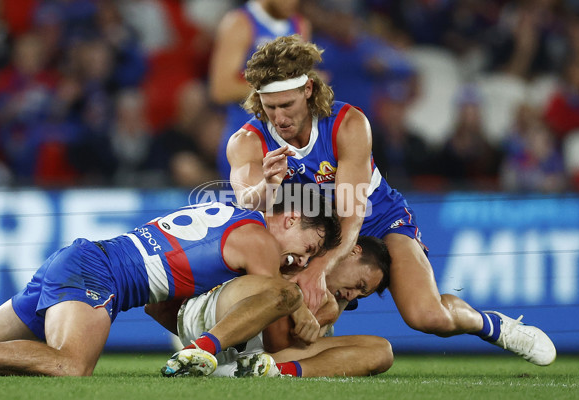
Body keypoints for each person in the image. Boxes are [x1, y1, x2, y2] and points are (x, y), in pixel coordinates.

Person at [226, 35, 557, 366]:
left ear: (308, 90)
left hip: (377, 218)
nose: (279, 118)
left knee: (427, 317)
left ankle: (494, 326)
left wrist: (318, 270)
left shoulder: (348, 124)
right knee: (296, 317)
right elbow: (246, 201)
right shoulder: (247, 142)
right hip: (315, 233)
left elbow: (352, 214)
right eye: (270, 108)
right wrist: (268, 186)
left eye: (287, 106)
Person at [0, 190, 341, 376]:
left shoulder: (236, 217)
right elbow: (274, 317)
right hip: (97, 272)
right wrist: (302, 310)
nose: (302, 262)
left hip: (82, 259)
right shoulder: (259, 241)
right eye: (308, 249)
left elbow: (157, 305)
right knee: (70, 366)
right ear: (291, 218)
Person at [149, 236, 393, 378]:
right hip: (224, 318)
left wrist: (326, 313)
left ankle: (269, 372)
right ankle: (202, 348)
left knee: (382, 351)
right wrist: (303, 306)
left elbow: (288, 342)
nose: (353, 294)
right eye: (359, 283)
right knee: (284, 292)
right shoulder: (301, 251)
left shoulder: (334, 303)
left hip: (258, 353)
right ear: (352, 251)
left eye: (362, 294)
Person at [209, 0, 310, 180]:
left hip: (289, 145)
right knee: (252, 206)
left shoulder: (300, 24)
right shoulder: (239, 23)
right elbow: (221, 89)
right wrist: (281, 84)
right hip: (248, 143)